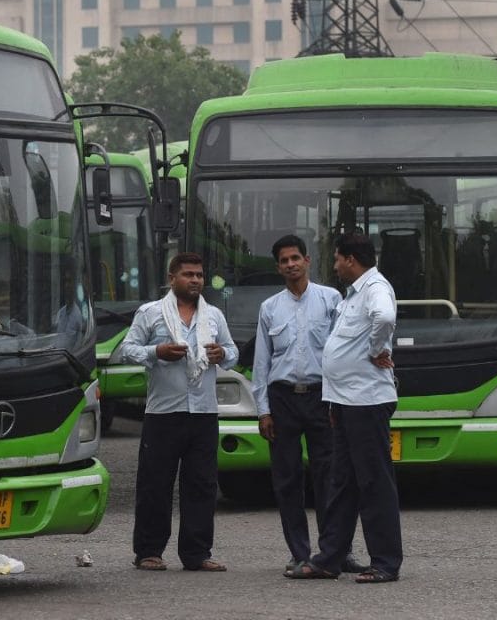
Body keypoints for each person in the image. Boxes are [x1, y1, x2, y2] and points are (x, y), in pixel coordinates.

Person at [252, 235, 366, 578]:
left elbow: (341, 353)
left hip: (323, 398)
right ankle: (299, 554)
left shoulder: (332, 300)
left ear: (308, 261)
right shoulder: (270, 308)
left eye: (295, 258)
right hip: (283, 398)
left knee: (332, 478)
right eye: (284, 260)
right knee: (287, 480)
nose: (291, 264)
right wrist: (263, 410)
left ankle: (336, 552)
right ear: (278, 267)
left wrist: (339, 400)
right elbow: (262, 362)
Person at [292, 232, 402, 584]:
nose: (335, 264)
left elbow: (384, 318)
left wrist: (376, 349)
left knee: (373, 482)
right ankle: (330, 558)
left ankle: (385, 562)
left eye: (337, 258)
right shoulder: (354, 293)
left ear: (350, 259)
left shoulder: (375, 288)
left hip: (366, 401)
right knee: (342, 483)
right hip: (344, 401)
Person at [118, 252, 239, 572]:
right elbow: (126, 351)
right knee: (154, 484)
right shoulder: (151, 313)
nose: (196, 280)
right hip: (163, 413)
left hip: (203, 413)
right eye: (188, 274)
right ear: (172, 278)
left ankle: (197, 553)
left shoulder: (213, 315)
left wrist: (221, 353)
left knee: (201, 484)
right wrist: (156, 351)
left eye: (199, 274)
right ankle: (148, 551)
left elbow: (233, 352)